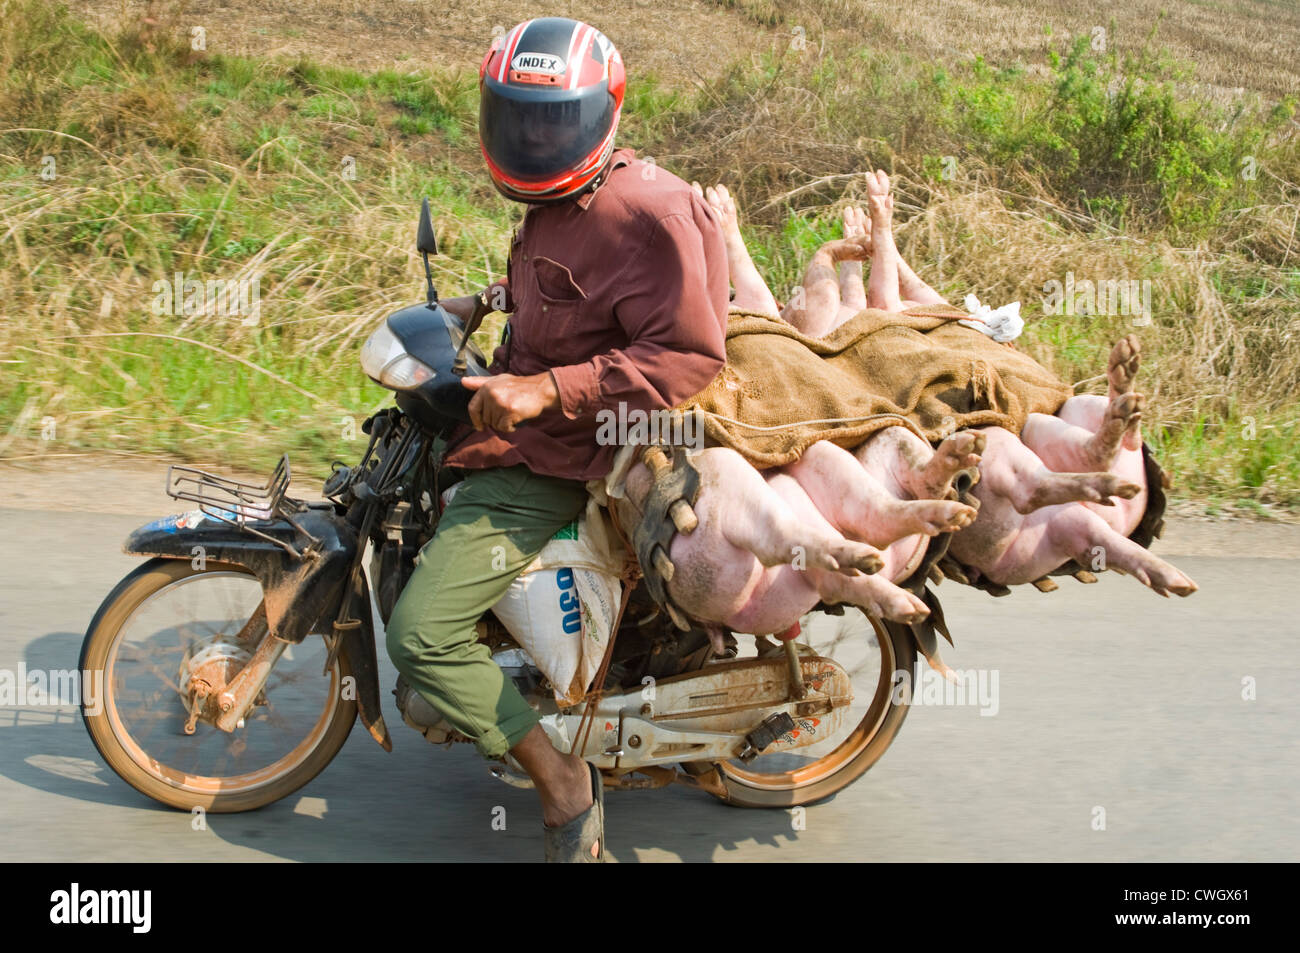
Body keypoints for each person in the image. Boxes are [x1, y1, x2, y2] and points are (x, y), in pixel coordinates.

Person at [383, 16, 730, 862]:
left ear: (599, 115)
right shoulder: (556, 198)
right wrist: (484, 300)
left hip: (564, 452)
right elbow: (564, 289)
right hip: (520, 423)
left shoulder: (652, 212)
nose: (535, 138)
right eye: (520, 118)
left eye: (553, 120)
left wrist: (545, 389)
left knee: (420, 634)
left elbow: (686, 355)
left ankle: (561, 779)